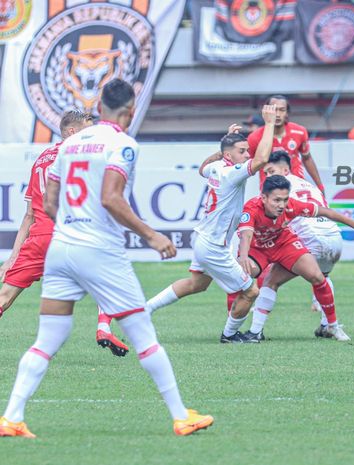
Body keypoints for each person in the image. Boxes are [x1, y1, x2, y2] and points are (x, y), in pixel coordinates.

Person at [0, 79, 212, 438]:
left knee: (48, 338)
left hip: (60, 248)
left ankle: (12, 417)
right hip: (98, 250)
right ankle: (181, 416)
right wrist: (151, 234)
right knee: (144, 333)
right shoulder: (123, 145)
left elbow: (49, 203)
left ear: (98, 109)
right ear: (129, 112)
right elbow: (112, 198)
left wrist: (71, 224)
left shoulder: (67, 146)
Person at [144, 105, 277, 344]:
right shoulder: (231, 173)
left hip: (205, 238)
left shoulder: (217, 166)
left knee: (196, 284)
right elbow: (262, 159)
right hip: (213, 245)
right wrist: (269, 124)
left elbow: (202, 169)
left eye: (247, 150)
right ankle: (229, 335)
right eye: (242, 151)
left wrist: (223, 146)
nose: (247, 154)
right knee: (251, 291)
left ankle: (145, 310)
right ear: (230, 156)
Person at [0, 110, 128, 357]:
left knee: (5, 296)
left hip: (38, 238)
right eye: (87, 130)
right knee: (110, 274)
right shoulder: (77, 154)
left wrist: (12, 257)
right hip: (69, 233)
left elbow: (29, 215)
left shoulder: (41, 159)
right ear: (72, 132)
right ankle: (103, 327)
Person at [236, 175, 354, 342]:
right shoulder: (252, 207)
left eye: (285, 200)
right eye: (277, 200)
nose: (281, 205)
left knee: (317, 277)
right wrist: (243, 256)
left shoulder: (292, 206)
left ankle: (332, 326)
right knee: (244, 276)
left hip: (284, 244)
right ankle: (244, 332)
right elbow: (246, 235)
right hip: (259, 249)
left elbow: (326, 211)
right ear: (264, 197)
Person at [243, 151, 343, 341]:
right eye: (266, 172)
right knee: (322, 278)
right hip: (335, 238)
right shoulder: (310, 186)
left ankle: (255, 331)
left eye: (272, 171)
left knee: (272, 280)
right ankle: (329, 325)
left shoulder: (279, 191)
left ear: (286, 170)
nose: (269, 176)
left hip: (312, 238)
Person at [246, 95, 325, 194]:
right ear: (266, 112)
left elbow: (307, 158)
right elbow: (247, 165)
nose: (278, 114)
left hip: (297, 187)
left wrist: (320, 186)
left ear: (287, 113)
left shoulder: (299, 132)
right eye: (274, 110)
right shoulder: (255, 137)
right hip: (270, 190)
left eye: (282, 110)